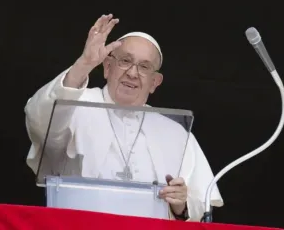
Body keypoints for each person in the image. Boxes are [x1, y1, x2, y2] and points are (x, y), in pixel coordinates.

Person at [24, 14, 224, 221]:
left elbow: (203, 206)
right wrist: (84, 63)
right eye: (125, 61)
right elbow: (39, 122)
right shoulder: (74, 103)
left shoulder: (176, 133)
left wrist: (181, 205)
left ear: (155, 82)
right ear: (108, 67)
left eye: (144, 67)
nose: (132, 73)